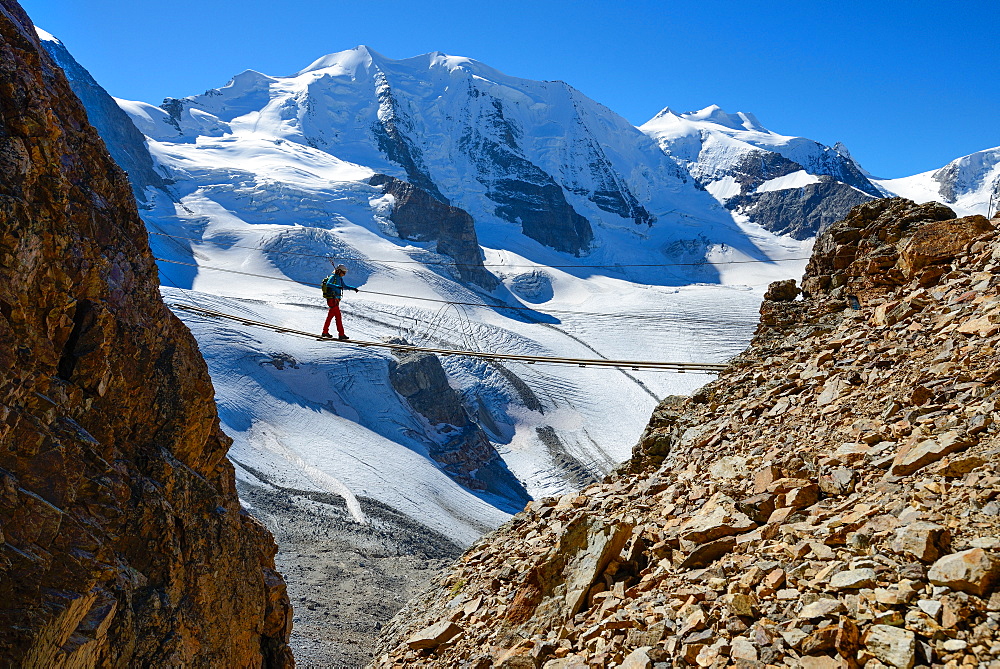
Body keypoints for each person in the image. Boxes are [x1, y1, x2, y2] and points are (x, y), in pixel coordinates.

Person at [320, 264, 359, 340]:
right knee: (338, 316)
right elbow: (328, 284)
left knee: (330, 316)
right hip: (332, 299)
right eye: (343, 272)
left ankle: (325, 332)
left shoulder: (339, 279)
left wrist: (353, 288)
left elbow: (344, 286)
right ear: (339, 271)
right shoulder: (333, 277)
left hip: (335, 300)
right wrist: (337, 286)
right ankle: (341, 334)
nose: (344, 274)